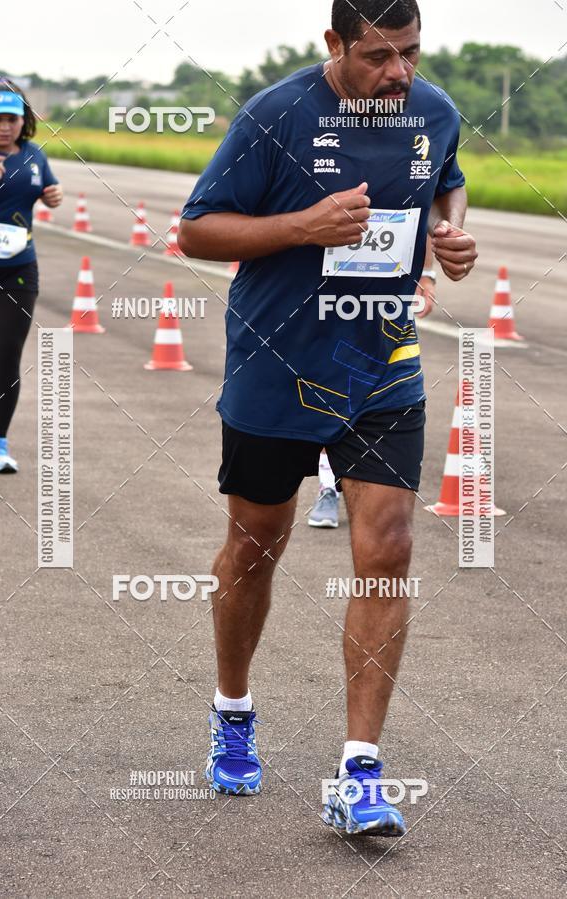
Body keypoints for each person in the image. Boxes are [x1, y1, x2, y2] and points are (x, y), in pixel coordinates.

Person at [179, 0, 477, 836]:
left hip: (382, 364)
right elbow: (197, 230)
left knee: (388, 545)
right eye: (380, 55)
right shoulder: (274, 116)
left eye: (411, 53)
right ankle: (233, 707)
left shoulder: (435, 111)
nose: (399, 73)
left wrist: (452, 237)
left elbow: (445, 183)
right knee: (255, 544)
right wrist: (300, 227)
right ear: (334, 45)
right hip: (278, 369)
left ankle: (359, 773)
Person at [0, 80, 62, 473]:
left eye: (12, 119)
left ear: (23, 121)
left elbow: (46, 187)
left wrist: (51, 195)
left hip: (17, 271)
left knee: (6, 360)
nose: (5, 127)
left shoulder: (34, 156)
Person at [308, 237, 436, 528]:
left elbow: (426, 209)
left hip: (381, 309)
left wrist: (427, 274)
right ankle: (328, 486)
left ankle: (331, 486)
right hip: (316, 299)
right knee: (324, 398)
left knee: (357, 394)